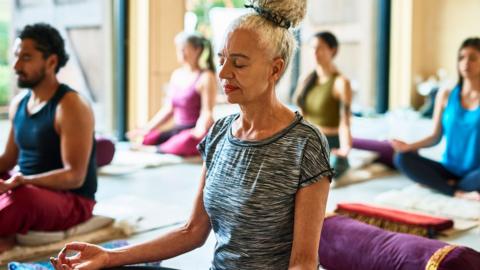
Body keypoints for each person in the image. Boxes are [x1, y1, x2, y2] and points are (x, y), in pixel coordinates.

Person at [51, 0, 332, 269]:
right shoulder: (221, 133)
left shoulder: (304, 144)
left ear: (275, 68)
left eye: (239, 63)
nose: (223, 72)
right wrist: (110, 256)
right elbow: (192, 231)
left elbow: (303, 263)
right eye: (222, 59)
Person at [0, 23, 97, 252]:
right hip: (24, 185)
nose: (16, 66)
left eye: (26, 58)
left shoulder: (71, 105)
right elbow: (8, 161)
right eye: (16, 56)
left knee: (21, 198)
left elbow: (74, 177)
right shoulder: (19, 104)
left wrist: (24, 181)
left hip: (70, 200)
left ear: (51, 62)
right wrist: (17, 181)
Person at [392, 37, 480, 201]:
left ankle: (442, 185)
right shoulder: (446, 95)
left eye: (473, 58)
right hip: (448, 168)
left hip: (476, 173)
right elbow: (435, 136)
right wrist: (409, 146)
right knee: (402, 158)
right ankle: (455, 190)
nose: (466, 63)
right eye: (461, 57)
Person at [127, 32, 217, 155]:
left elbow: (207, 112)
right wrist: (146, 129)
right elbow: (168, 109)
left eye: (184, 49)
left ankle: (157, 150)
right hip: (178, 129)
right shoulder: (176, 75)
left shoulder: (206, 76)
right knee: (147, 139)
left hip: (193, 131)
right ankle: (162, 147)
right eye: (178, 49)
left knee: (187, 140)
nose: (180, 53)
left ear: (197, 49)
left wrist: (198, 131)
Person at [295, 31, 353, 179]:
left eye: (320, 48)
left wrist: (346, 148)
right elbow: (300, 117)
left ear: (332, 50)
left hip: (329, 143)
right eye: (313, 48)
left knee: (322, 174)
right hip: (308, 141)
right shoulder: (306, 79)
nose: (315, 52)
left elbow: (345, 121)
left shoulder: (341, 82)